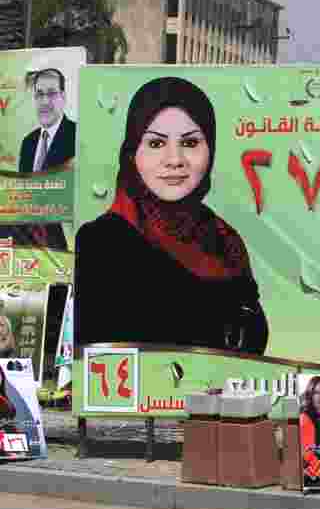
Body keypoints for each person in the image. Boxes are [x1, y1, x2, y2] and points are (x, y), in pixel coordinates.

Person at [74, 77, 268, 354]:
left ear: (210, 151)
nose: (174, 159)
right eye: (155, 144)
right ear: (133, 154)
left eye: (190, 143)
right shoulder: (103, 242)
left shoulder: (225, 242)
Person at [19, 68, 76, 174]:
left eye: (51, 93)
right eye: (40, 94)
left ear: (63, 97)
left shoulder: (78, 135)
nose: (45, 102)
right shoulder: (27, 143)